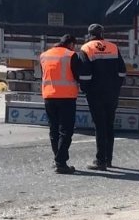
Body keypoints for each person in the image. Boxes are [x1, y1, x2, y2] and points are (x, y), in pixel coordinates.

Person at [78, 24, 128, 171]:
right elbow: (122, 71)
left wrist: (85, 90)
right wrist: (116, 86)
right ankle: (108, 159)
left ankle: (100, 161)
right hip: (111, 92)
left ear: (89, 34)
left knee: (100, 126)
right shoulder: (113, 47)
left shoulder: (86, 48)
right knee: (109, 125)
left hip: (95, 93)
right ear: (102, 34)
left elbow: (85, 75)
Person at [40, 35, 86, 174]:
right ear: (71, 44)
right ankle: (61, 162)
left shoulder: (44, 55)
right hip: (66, 97)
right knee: (66, 131)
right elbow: (79, 75)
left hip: (49, 96)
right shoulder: (71, 55)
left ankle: (57, 159)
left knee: (53, 130)